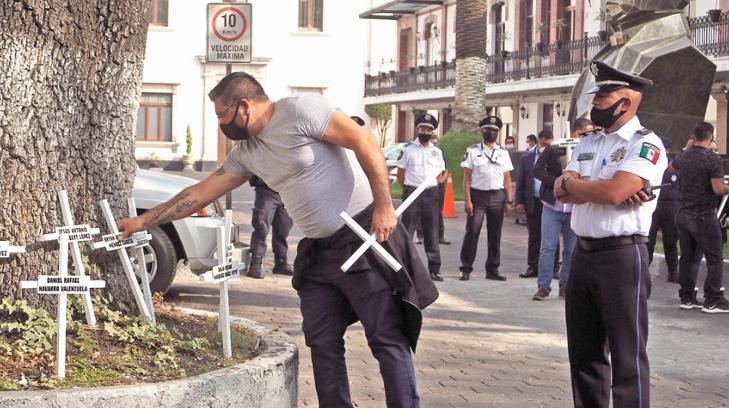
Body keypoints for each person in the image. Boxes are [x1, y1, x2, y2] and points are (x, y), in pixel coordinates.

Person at [117, 72, 439, 407]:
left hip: (363, 237)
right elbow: (198, 193)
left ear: (243, 106)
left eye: (221, 115)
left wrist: (385, 205)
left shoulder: (303, 111)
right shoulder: (247, 154)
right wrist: (143, 220)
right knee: (322, 340)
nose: (220, 123)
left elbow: (365, 141)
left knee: (386, 338)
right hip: (319, 252)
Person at [554, 60, 666, 407]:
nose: (596, 101)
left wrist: (583, 186)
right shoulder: (590, 141)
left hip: (622, 256)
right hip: (582, 255)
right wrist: (592, 186)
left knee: (627, 353)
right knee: (585, 354)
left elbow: (614, 193)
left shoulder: (646, 144)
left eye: (604, 94)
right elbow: (560, 190)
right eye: (597, 93)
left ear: (625, 103)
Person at [531, 120, 593, 301]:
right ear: (577, 132)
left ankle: (566, 285)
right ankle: (543, 286)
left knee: (571, 249)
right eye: (587, 132)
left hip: (574, 208)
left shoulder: (589, 152)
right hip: (553, 205)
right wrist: (558, 181)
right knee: (548, 247)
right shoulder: (554, 149)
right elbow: (537, 170)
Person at [671, 122, 729, 313]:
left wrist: (688, 148)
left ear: (693, 136)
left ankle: (687, 298)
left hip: (682, 212)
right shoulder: (712, 159)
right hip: (703, 214)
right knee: (714, 258)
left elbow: (671, 170)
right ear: (711, 137)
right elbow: (718, 188)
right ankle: (713, 299)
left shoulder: (683, 156)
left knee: (687, 256)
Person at [458, 116, 513, 281]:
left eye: (495, 130)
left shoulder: (503, 153)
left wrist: (509, 201)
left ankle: (493, 270)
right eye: (488, 129)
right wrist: (468, 200)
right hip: (478, 197)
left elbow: (507, 178)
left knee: (495, 235)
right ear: (482, 131)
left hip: (498, 196)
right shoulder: (473, 151)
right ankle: (465, 269)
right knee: (472, 232)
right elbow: (466, 179)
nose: (491, 133)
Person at [397, 114, 448, 281]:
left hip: (431, 194)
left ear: (432, 131)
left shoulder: (437, 152)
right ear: (417, 129)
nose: (424, 131)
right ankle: (404, 268)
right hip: (412, 193)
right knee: (407, 231)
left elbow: (442, 173)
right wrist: (409, 189)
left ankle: (434, 269)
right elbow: (401, 174)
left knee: (431, 232)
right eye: (422, 128)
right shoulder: (408, 150)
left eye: (428, 129)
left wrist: (434, 184)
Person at [515, 129, 554, 279]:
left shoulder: (557, 156)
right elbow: (521, 181)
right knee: (534, 236)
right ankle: (533, 267)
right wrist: (519, 201)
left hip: (550, 201)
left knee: (551, 236)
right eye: (543, 144)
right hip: (534, 201)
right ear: (538, 141)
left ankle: (553, 267)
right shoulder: (527, 158)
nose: (545, 147)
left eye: (548, 145)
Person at [247, 175, 294, 279]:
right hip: (266, 189)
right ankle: (255, 264)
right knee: (261, 227)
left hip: (288, 191)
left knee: (284, 228)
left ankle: (281, 263)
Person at [647, 137, 679, 283]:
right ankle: (644, 269)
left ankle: (673, 272)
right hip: (654, 205)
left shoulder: (674, 164)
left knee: (671, 241)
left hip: (671, 207)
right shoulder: (652, 161)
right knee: (649, 240)